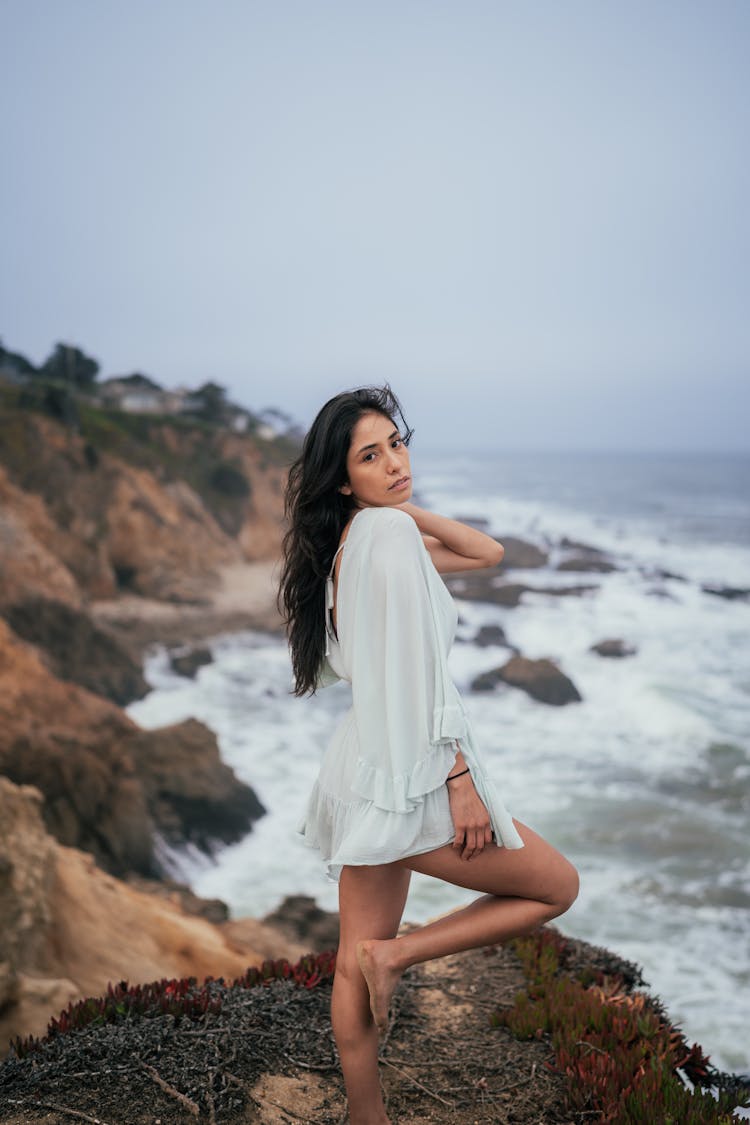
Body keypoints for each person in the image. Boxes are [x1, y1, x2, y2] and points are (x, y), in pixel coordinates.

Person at [279, 385, 579, 1125]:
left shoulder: (355, 542)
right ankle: (400, 959)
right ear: (343, 478)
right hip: (414, 770)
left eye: (397, 444)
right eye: (371, 455)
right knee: (555, 886)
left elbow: (488, 552)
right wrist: (459, 776)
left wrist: (393, 505)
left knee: (354, 947)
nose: (394, 462)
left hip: (362, 766)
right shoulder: (386, 540)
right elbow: (421, 666)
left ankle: (365, 1112)